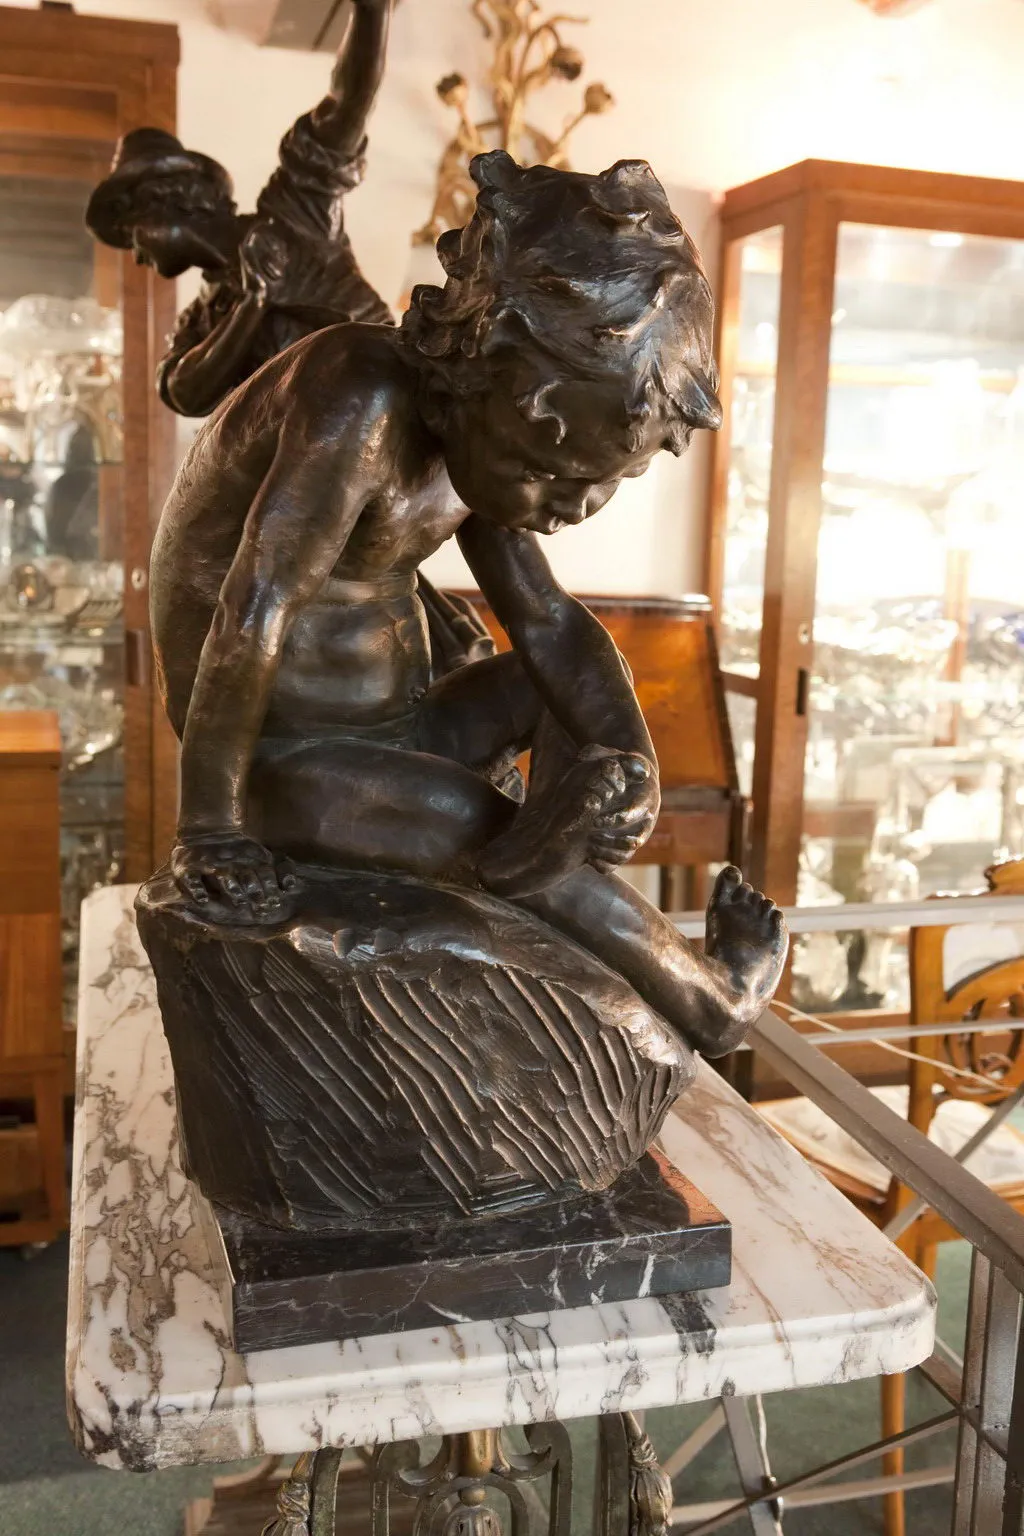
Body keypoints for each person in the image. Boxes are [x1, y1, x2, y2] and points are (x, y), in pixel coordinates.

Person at [148, 150, 788, 1060]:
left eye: (604, 482)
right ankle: (710, 999)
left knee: (559, 688)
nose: (570, 509)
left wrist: (629, 762)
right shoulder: (355, 401)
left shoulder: (472, 432)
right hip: (280, 758)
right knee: (460, 816)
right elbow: (253, 609)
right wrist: (210, 828)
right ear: (484, 383)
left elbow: (551, 623)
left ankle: (535, 860)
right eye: (547, 471)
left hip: (392, 723)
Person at [85, 0, 394, 418]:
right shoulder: (204, 314)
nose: (136, 254)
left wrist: (372, 13)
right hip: (301, 451)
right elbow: (183, 393)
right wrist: (252, 305)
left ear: (171, 201)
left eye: (132, 232)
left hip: (384, 415)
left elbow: (347, 104)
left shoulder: (295, 211)